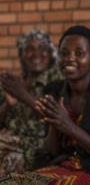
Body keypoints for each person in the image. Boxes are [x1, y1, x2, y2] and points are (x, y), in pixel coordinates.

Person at [31, 25, 90, 183]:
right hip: (61, 167)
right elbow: (51, 151)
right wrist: (55, 125)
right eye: (64, 53)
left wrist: (68, 126)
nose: (70, 58)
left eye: (79, 53)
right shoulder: (54, 91)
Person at [0, 30, 62, 175]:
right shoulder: (16, 83)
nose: (36, 53)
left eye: (42, 48)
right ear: (22, 54)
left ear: (50, 53)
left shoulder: (58, 81)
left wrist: (23, 95)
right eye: (30, 49)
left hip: (36, 148)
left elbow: (58, 119)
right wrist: (8, 105)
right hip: (8, 141)